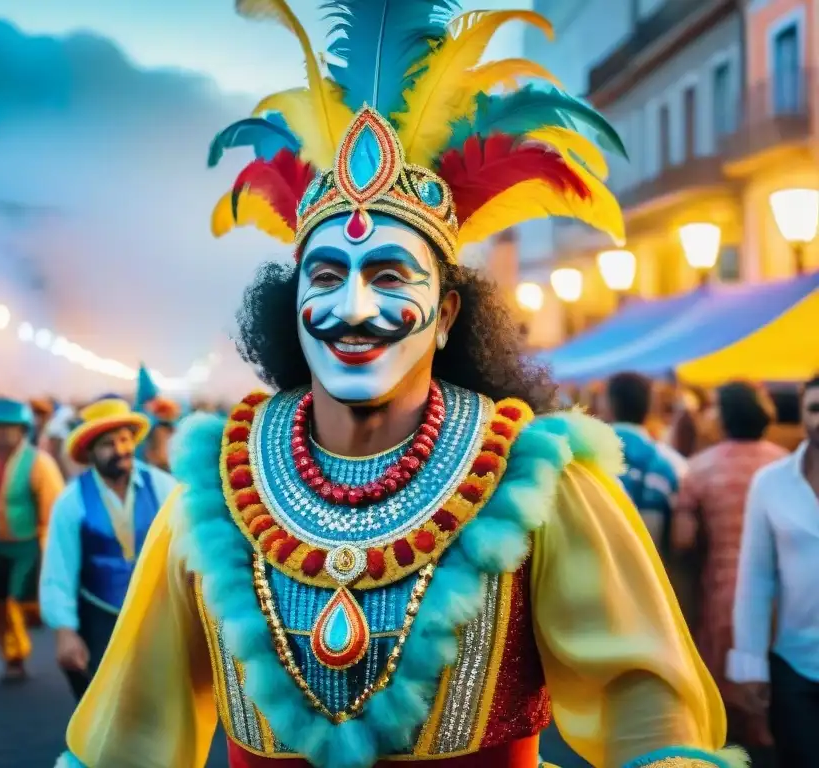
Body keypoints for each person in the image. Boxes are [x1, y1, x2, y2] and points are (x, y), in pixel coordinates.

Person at [60, 5, 738, 768]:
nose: (352, 308)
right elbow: (130, 734)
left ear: (447, 313)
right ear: (294, 306)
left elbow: (651, 722)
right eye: (327, 276)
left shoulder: (542, 482)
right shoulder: (214, 493)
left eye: (389, 276)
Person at [39, 398, 178, 701]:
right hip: (98, 618)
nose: (120, 450)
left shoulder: (164, 486)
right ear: (90, 453)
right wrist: (65, 631)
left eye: (125, 439)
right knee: (103, 710)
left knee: (160, 707)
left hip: (158, 615)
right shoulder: (71, 500)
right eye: (108, 444)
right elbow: (58, 572)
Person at [672, 383, 786, 748]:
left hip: (724, 596)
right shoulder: (788, 464)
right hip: (785, 599)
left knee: (728, 716)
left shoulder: (699, 469)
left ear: (722, 417)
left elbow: (682, 540)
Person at [729, 374, 819, 765]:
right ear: (801, 415)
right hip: (794, 668)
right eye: (815, 408)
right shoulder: (771, 483)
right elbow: (755, 578)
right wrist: (749, 664)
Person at [0, 397, 64, 682]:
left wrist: (48, 550)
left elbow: (52, 508)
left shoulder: (40, 462)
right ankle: (12, 655)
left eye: (8, 428)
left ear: (22, 430)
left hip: (26, 544)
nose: (0, 433)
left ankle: (20, 646)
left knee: (16, 599)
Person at [600, 372, 688, 555]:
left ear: (607, 405)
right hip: (653, 575)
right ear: (650, 408)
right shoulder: (673, 463)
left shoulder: (583, 459)